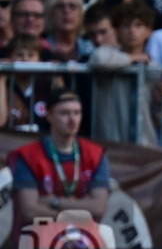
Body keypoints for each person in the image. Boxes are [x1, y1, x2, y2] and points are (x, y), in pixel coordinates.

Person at [7, 90, 110, 237]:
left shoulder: (96, 154)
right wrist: (81, 214)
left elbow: (98, 208)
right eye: (64, 113)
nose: (72, 120)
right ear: (49, 116)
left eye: (77, 113)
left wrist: (53, 202)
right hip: (39, 241)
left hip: (85, 242)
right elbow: (29, 211)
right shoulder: (28, 156)